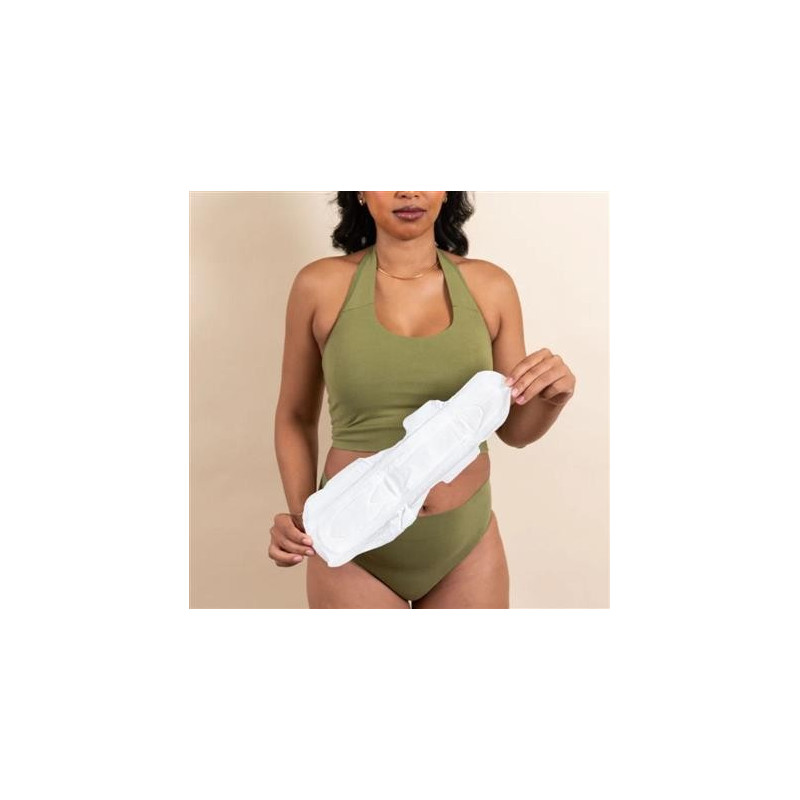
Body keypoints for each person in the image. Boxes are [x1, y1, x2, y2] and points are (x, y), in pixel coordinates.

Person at [270, 191, 576, 608]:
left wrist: (553, 399)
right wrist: (304, 519)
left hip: (466, 546)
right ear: (360, 191)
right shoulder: (319, 286)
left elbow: (514, 432)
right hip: (354, 545)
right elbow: (295, 416)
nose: (408, 190)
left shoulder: (490, 286)